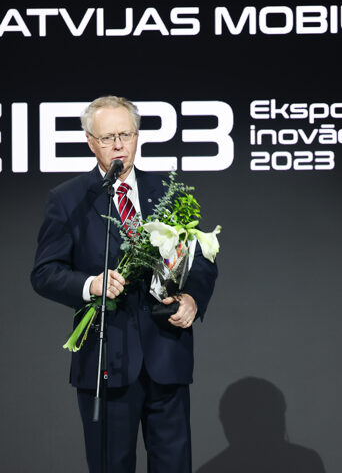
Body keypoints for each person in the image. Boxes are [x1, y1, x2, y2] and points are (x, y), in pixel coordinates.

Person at [31, 95, 218, 473]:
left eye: (125, 135)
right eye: (107, 138)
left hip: (166, 355)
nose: (118, 145)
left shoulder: (168, 191)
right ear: (90, 142)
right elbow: (45, 272)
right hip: (107, 359)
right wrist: (91, 284)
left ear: (137, 136)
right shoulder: (68, 199)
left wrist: (192, 298)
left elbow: (200, 259)